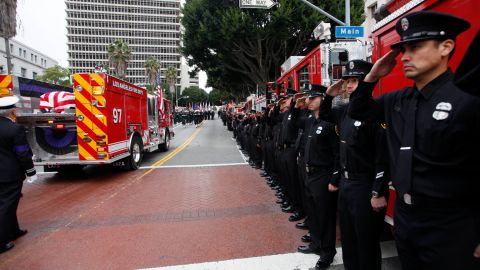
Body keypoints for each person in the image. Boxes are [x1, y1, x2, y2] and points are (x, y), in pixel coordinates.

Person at [348, 11, 480, 269]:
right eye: (403, 49)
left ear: (446, 46)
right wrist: (372, 76)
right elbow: (357, 111)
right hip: (407, 218)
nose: (406, 56)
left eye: (416, 47)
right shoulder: (398, 100)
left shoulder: (466, 99)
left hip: (450, 223)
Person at [321, 60, 389, 270]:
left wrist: (377, 191)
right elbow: (325, 115)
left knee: (366, 243)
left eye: (354, 81)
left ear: (367, 82)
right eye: (347, 81)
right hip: (346, 184)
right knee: (348, 241)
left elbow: (382, 155)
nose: (349, 86)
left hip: (365, 185)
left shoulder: (375, 111)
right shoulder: (345, 110)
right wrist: (329, 96)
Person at [295, 87, 340, 269]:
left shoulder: (330, 124)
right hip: (309, 173)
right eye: (308, 99)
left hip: (323, 175)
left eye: (313, 98)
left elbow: (338, 154)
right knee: (312, 212)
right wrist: (297, 107)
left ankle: (327, 253)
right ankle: (315, 244)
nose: (308, 101)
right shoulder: (310, 122)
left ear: (323, 99)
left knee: (326, 216)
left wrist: (334, 180)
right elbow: (296, 122)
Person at [0, 96, 36, 254]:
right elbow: (22, 153)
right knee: (7, 205)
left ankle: (14, 230)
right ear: (12, 111)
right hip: (10, 174)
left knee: (10, 202)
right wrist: (31, 171)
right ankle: (1, 241)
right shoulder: (15, 129)